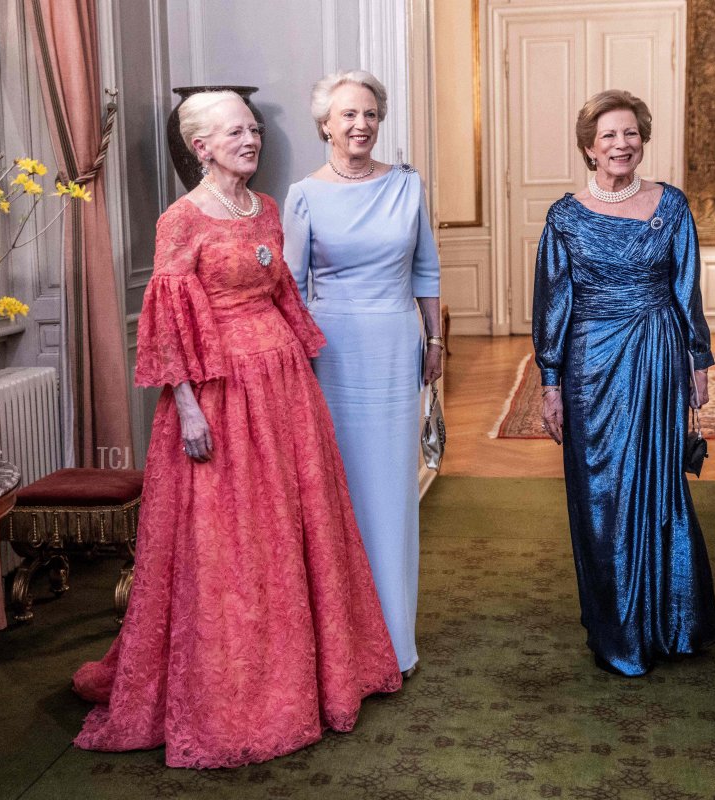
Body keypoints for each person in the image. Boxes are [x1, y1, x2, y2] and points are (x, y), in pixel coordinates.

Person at [72, 90, 401, 768]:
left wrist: (303, 370)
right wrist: (187, 405)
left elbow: (282, 294)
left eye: (253, 129)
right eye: (235, 132)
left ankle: (315, 676)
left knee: (291, 527)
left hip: (282, 387)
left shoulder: (269, 208)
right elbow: (166, 320)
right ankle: (237, 690)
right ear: (202, 147)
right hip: (218, 395)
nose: (251, 139)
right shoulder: (180, 220)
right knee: (235, 542)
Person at [533, 89, 715, 676]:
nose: (622, 144)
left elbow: (686, 288)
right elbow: (553, 305)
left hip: (658, 355)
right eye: (609, 136)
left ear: (643, 140)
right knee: (601, 497)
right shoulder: (564, 217)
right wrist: (550, 381)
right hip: (591, 364)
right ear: (590, 148)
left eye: (631, 134)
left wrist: (698, 361)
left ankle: (674, 624)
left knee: (661, 487)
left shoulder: (671, 204)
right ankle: (618, 629)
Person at [283, 70, 441, 679]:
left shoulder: (407, 186)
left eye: (371, 114)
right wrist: (297, 357)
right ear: (325, 123)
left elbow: (425, 268)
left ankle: (393, 642)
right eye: (349, 114)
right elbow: (293, 289)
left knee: (392, 493)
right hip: (332, 351)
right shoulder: (303, 194)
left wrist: (436, 340)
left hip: (395, 343)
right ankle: (340, 638)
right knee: (335, 491)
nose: (361, 125)